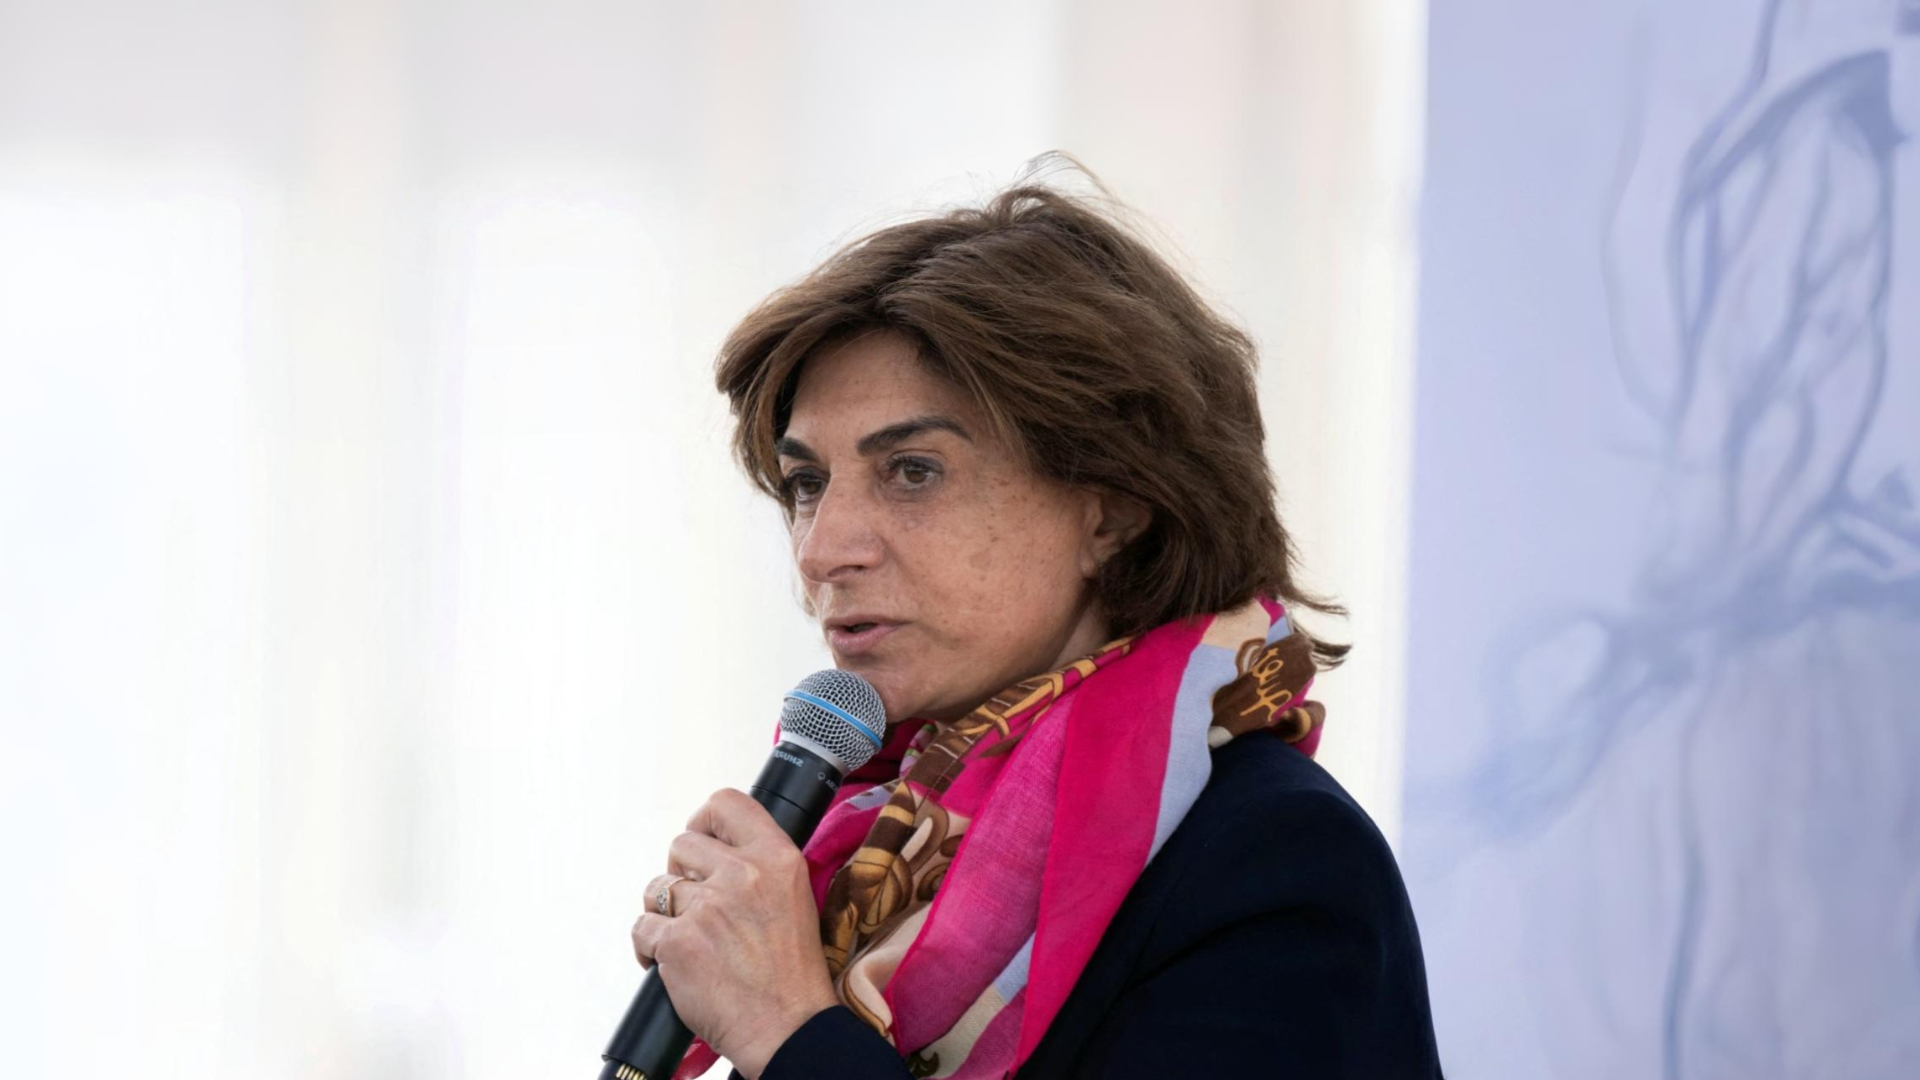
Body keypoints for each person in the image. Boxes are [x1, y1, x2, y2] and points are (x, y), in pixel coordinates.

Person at [626, 161, 1442, 1079]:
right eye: (808, 483)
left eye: (912, 472)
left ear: (1112, 510)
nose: (822, 550)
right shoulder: (870, 850)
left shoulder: (1275, 863)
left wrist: (788, 1027)